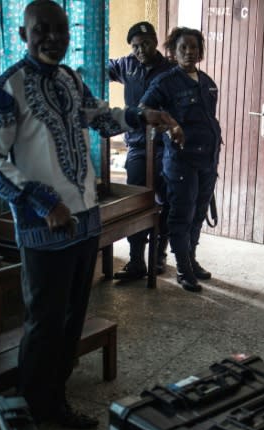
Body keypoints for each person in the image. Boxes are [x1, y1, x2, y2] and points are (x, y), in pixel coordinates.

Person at [0, 0, 183, 428]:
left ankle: (57, 395)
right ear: (23, 35)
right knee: (44, 321)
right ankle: (35, 403)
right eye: (42, 29)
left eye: (61, 29)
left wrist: (142, 116)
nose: (53, 37)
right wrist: (42, 202)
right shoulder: (8, 87)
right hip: (44, 229)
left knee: (72, 318)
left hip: (85, 222)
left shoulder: (71, 79)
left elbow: (100, 117)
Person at [139, 27, 221, 292]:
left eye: (194, 47)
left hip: (207, 159)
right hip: (181, 161)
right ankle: (183, 270)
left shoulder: (207, 82)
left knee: (198, 214)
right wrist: (170, 124)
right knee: (181, 215)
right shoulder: (165, 82)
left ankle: (191, 259)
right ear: (173, 51)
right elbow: (143, 110)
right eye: (183, 47)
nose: (189, 52)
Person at [109, 21, 174, 280]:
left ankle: (159, 254)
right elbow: (97, 66)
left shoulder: (170, 70)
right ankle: (136, 260)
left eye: (145, 44)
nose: (140, 50)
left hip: (165, 147)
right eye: (135, 46)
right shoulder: (126, 65)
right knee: (136, 202)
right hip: (137, 146)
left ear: (155, 41)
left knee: (166, 201)